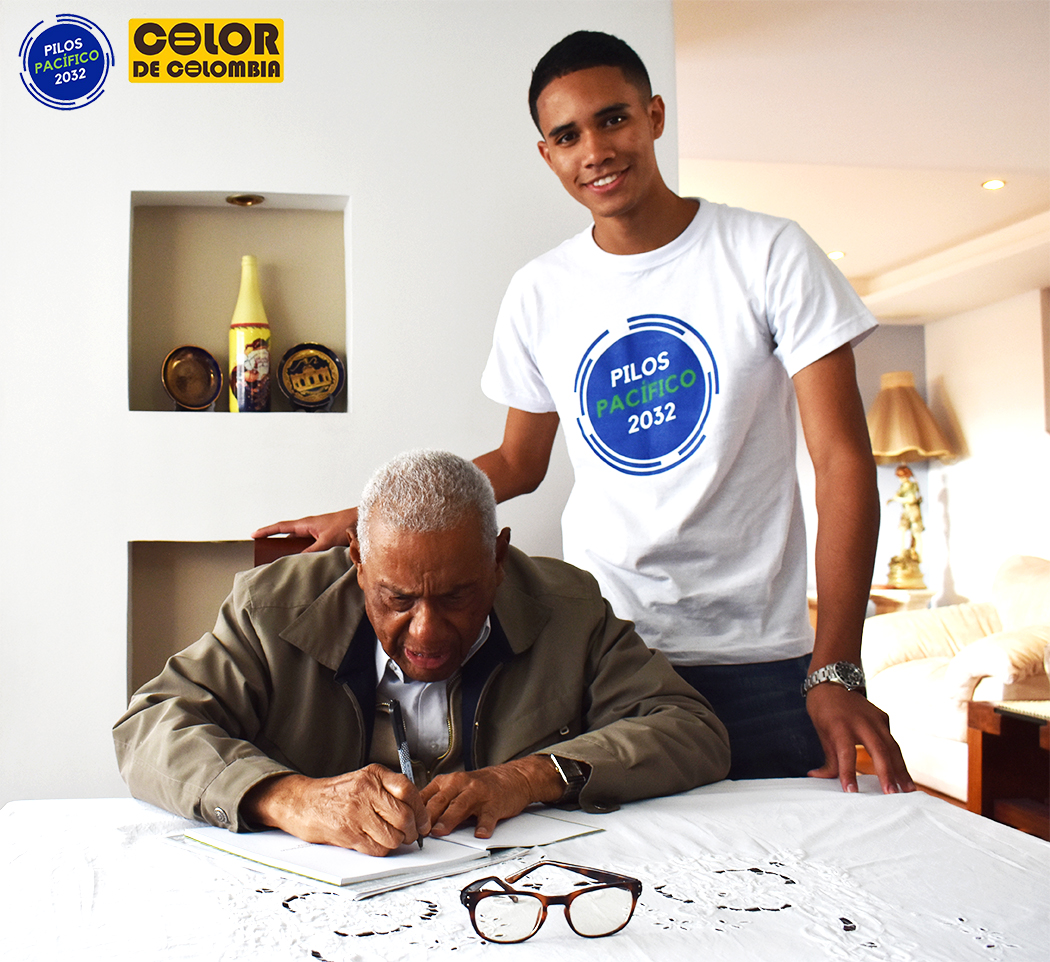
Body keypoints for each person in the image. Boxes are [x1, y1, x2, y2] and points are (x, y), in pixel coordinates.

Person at [253, 32, 913, 795]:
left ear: (654, 116)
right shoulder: (542, 291)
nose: (595, 150)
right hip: (605, 654)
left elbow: (841, 463)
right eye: (568, 136)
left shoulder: (769, 253)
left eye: (614, 120)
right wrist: (366, 517)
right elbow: (518, 464)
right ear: (547, 154)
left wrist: (835, 665)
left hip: (760, 661)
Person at [114, 450, 730, 856]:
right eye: (398, 598)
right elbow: (148, 729)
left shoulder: (569, 608)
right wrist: (290, 797)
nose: (427, 632)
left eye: (458, 596)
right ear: (356, 563)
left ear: (498, 559)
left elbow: (690, 729)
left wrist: (531, 778)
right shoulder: (270, 609)